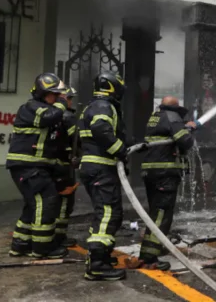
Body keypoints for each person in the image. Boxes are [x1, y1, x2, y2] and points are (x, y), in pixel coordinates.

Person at [6, 73, 69, 259]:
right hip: (28, 166)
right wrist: (63, 103)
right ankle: (42, 249)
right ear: (42, 93)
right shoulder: (31, 107)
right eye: (54, 94)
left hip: (32, 167)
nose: (57, 98)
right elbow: (48, 117)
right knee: (47, 201)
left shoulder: (43, 109)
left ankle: (20, 245)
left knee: (33, 205)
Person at [78, 71, 129, 281]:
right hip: (101, 167)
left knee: (107, 212)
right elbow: (100, 128)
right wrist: (120, 150)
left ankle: (101, 257)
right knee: (108, 213)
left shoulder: (92, 106)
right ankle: (98, 265)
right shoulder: (103, 106)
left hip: (95, 166)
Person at [137, 96, 196, 270]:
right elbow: (185, 141)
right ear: (175, 108)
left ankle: (151, 250)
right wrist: (190, 129)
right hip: (165, 173)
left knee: (155, 213)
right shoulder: (173, 117)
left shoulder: (156, 117)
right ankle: (149, 257)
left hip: (152, 172)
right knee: (162, 215)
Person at [53, 86, 79, 248]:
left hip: (51, 165)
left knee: (54, 201)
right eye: (69, 98)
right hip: (63, 166)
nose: (70, 101)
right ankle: (58, 237)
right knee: (64, 203)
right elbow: (77, 140)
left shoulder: (48, 115)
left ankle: (55, 236)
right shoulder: (67, 117)